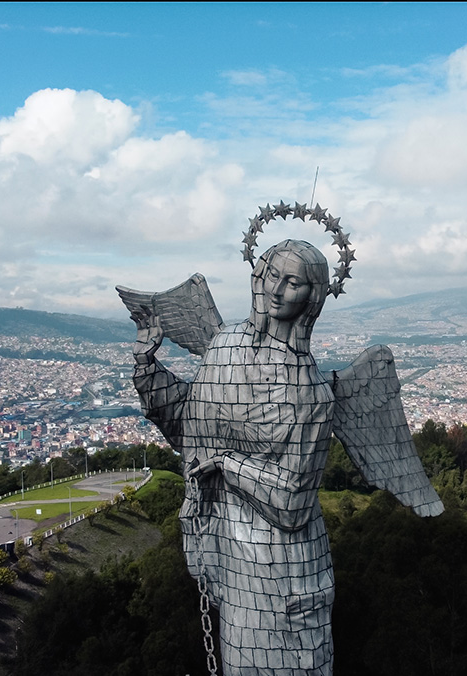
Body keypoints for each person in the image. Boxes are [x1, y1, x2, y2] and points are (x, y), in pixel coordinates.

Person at [130, 239, 337, 676]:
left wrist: (228, 463)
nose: (276, 290)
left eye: (293, 282)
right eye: (270, 275)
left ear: (312, 296)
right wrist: (147, 365)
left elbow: (294, 501)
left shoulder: (311, 392)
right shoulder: (225, 347)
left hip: (287, 569)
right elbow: (192, 426)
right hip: (234, 555)